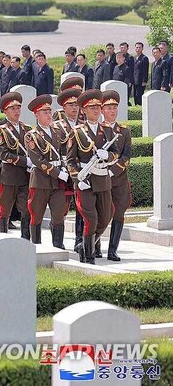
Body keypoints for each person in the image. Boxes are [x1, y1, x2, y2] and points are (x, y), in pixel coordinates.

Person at [66, 89, 117, 265]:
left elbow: (115, 154)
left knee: (105, 216)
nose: (96, 110)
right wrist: (77, 180)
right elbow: (71, 161)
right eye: (92, 107)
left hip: (102, 178)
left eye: (98, 107)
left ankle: (85, 245)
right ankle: (88, 255)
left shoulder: (108, 130)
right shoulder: (77, 132)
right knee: (91, 219)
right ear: (84, 110)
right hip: (85, 180)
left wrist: (108, 156)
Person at [25, 95, 69, 248]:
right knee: (36, 215)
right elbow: (38, 161)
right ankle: (36, 246)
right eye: (44, 112)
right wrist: (58, 172)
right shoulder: (31, 135)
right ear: (36, 115)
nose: (49, 115)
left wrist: (64, 166)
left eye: (49, 111)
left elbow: (63, 152)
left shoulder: (57, 131)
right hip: (41, 180)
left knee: (58, 215)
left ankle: (58, 245)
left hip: (57, 183)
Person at [0, 93, 31, 236]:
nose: (17, 111)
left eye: (18, 108)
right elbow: (3, 154)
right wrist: (25, 160)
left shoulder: (27, 128)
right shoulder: (1, 130)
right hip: (8, 175)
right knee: (5, 207)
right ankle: (3, 237)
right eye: (12, 108)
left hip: (25, 175)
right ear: (5, 111)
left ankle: (26, 238)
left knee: (26, 207)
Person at [101, 90, 132, 261]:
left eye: (115, 108)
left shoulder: (124, 131)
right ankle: (95, 247)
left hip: (119, 179)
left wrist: (114, 170)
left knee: (119, 213)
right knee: (100, 214)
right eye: (109, 108)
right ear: (102, 110)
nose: (113, 111)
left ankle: (113, 250)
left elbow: (126, 156)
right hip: (100, 178)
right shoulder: (97, 130)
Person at [54, 88, 85, 250]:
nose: (74, 108)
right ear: (63, 108)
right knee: (61, 209)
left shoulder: (85, 125)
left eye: (76, 105)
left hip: (81, 172)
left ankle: (79, 240)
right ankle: (58, 242)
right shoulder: (57, 127)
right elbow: (54, 150)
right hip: (64, 173)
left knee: (82, 207)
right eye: (70, 105)